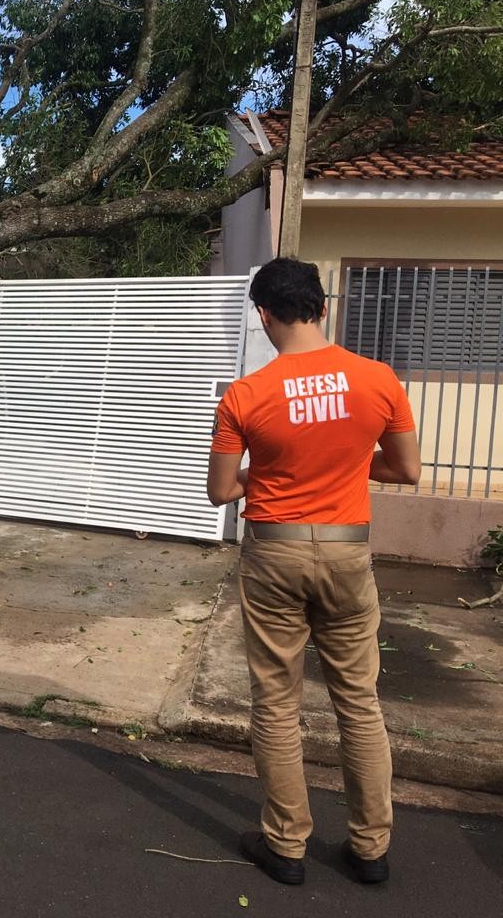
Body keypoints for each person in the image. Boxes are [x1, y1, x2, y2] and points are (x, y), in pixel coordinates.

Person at [206, 257, 421, 886]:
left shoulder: (245, 395)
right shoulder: (377, 379)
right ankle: (371, 847)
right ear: (323, 308)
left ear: (264, 314)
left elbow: (222, 491)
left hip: (273, 553)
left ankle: (287, 844)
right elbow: (406, 470)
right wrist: (352, 466)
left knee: (276, 702)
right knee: (359, 703)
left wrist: (267, 475)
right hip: (348, 552)